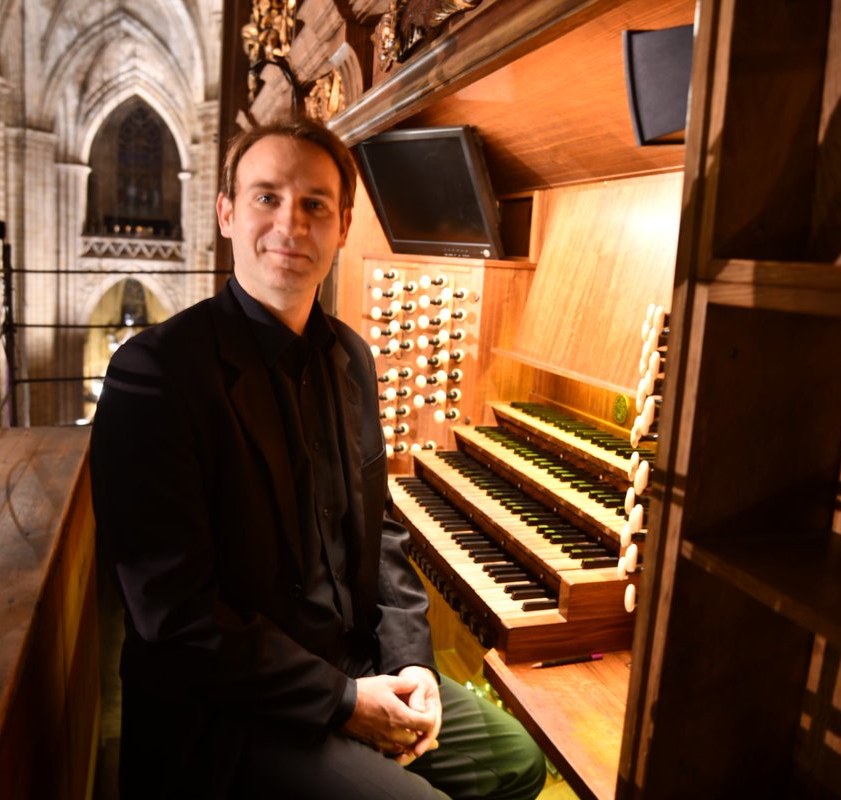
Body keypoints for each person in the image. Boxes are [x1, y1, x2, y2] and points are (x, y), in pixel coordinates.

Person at [90, 116, 547, 799]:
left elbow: (381, 532)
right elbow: (175, 615)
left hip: (353, 664)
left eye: (315, 205)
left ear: (343, 227)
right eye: (267, 197)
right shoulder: (155, 373)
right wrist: (344, 702)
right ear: (226, 213)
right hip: (229, 710)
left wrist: (412, 664)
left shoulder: (352, 358)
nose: (291, 225)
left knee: (516, 761)